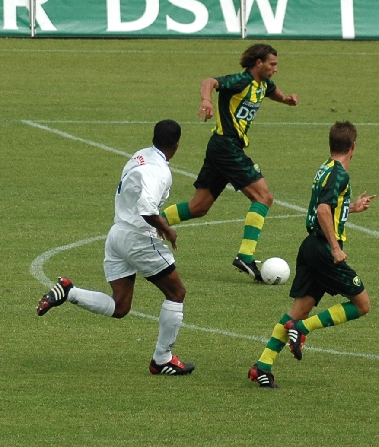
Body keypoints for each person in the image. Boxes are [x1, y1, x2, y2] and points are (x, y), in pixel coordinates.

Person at [36, 120, 195, 376]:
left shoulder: (140, 156)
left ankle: (69, 291)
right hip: (137, 239)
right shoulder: (159, 171)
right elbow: (146, 208)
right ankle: (162, 359)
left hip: (117, 234)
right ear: (177, 144)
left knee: (120, 307)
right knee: (176, 293)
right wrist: (167, 228)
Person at [248, 121, 376, 388]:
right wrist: (335, 247)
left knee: (299, 309)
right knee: (362, 305)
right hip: (323, 250)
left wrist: (352, 207)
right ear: (353, 147)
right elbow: (322, 212)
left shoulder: (324, 169)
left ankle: (262, 366)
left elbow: (328, 207)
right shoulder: (340, 174)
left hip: (309, 246)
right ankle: (302, 330)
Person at [161, 44, 298, 282]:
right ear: (259, 64)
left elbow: (272, 91)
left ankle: (150, 222)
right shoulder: (240, 81)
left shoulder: (263, 84)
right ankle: (245, 256)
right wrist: (207, 100)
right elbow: (210, 81)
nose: (275, 69)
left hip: (220, 148)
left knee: (198, 207)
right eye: (272, 64)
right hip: (227, 146)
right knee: (264, 197)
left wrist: (286, 100)